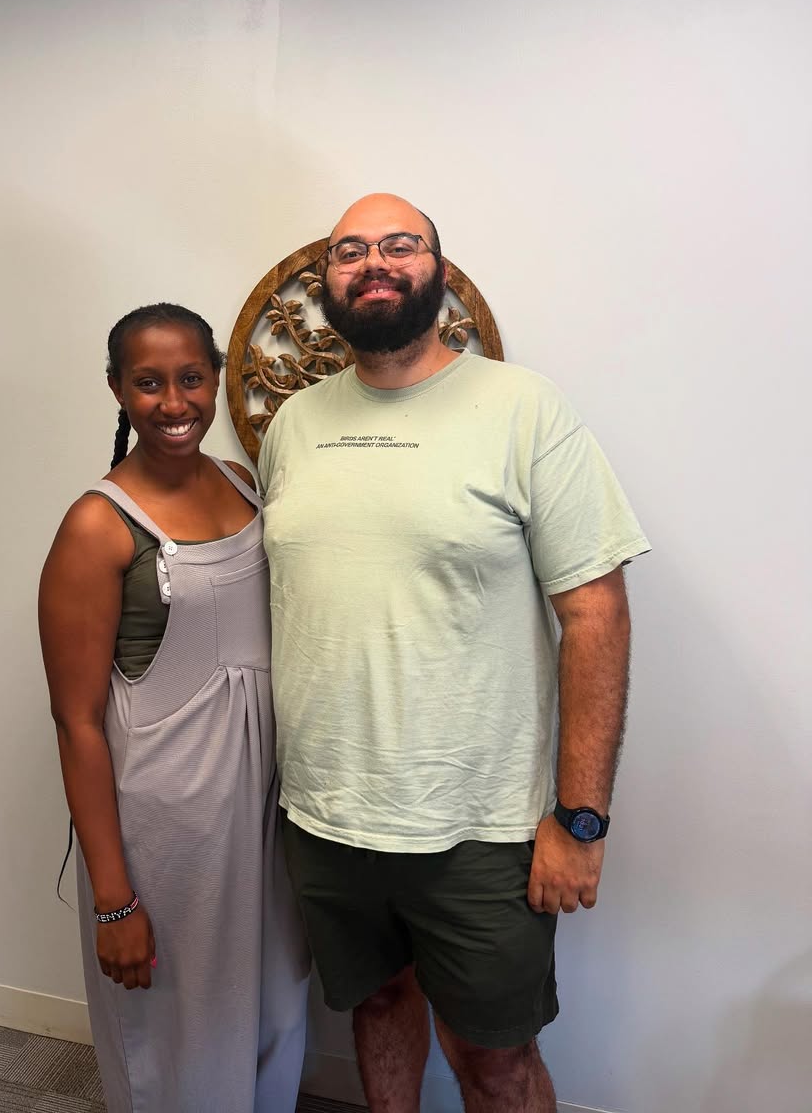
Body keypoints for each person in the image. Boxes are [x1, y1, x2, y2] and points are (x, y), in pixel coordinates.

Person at [257, 195, 650, 1113]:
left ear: (438, 270)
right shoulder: (295, 424)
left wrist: (581, 819)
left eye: (400, 244)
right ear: (327, 282)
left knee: (495, 1060)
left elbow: (596, 614)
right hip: (327, 814)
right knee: (377, 1005)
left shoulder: (522, 408)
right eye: (351, 250)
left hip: (480, 826)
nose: (375, 261)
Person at [38, 303, 309, 1113]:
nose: (174, 402)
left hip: (266, 807)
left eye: (191, 378)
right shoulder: (99, 526)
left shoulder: (242, 482)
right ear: (117, 390)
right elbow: (77, 723)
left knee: (274, 1008)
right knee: (179, 1029)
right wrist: (114, 899)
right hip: (170, 825)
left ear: (216, 379)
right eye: (148, 383)